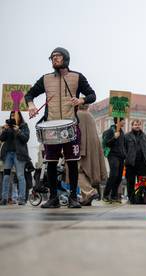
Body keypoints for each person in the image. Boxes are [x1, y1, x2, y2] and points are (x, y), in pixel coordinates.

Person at [25, 47, 96, 208]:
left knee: (72, 163)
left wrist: (81, 101)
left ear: (66, 58)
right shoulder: (46, 79)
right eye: (52, 58)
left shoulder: (77, 77)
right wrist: (30, 105)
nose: (54, 59)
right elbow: (29, 94)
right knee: (50, 162)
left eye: (57, 57)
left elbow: (92, 94)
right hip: (50, 127)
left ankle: (73, 198)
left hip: (71, 125)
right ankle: (53, 198)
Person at [76, 104, 107, 206]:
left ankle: (90, 192)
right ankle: (86, 199)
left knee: (77, 171)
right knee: (86, 171)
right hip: (93, 146)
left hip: (82, 146)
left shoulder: (77, 114)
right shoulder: (90, 115)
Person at [0, 111, 30, 205]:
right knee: (6, 176)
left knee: (20, 176)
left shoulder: (23, 126)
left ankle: (21, 199)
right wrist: (4, 129)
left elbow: (25, 139)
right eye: (12, 115)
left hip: (19, 155)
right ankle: (4, 198)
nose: (13, 117)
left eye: (15, 115)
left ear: (20, 116)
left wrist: (18, 131)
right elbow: (2, 138)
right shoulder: (8, 127)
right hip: (8, 154)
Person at [125, 119, 146, 204]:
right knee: (130, 182)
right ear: (132, 126)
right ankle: (131, 199)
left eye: (139, 124)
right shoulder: (127, 136)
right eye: (135, 124)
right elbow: (124, 148)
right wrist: (127, 158)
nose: (137, 126)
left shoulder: (144, 136)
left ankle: (140, 198)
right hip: (131, 163)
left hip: (142, 162)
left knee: (142, 182)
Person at [102, 118, 126, 203]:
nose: (124, 121)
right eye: (123, 120)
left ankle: (114, 196)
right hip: (113, 155)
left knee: (119, 177)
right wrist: (114, 138)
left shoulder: (122, 132)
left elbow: (123, 145)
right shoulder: (110, 131)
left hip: (121, 156)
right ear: (118, 121)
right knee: (113, 175)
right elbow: (106, 143)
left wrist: (125, 154)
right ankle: (105, 194)